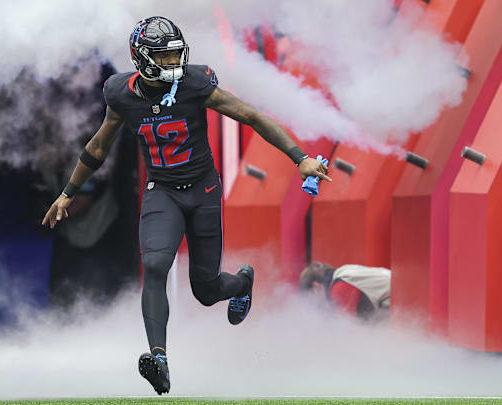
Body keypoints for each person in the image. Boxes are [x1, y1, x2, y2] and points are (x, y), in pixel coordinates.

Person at [42, 16, 330, 395]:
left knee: (205, 290)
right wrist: (67, 192)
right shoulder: (121, 94)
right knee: (156, 264)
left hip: (203, 191)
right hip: (162, 190)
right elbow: (98, 147)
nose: (173, 62)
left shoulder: (195, 83)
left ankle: (242, 282)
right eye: (164, 56)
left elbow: (251, 115)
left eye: (176, 53)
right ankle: (158, 359)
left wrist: (300, 158)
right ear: (141, 59)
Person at [299, 262, 390, 321]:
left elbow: (353, 329)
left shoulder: (338, 287)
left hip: (399, 300)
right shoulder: (345, 271)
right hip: (399, 290)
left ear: (316, 287)